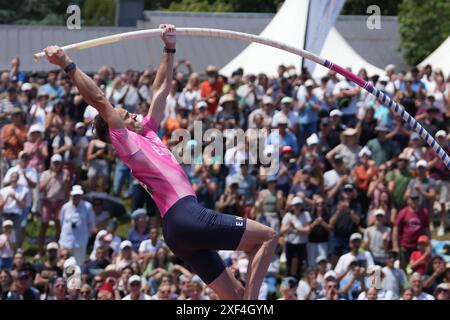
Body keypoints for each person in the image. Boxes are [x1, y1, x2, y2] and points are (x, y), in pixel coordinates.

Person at [43, 24, 278, 300]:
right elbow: (99, 100)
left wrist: (169, 47)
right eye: (125, 115)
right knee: (268, 237)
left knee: (235, 296)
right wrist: (67, 65)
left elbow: (161, 90)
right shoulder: (126, 141)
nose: (132, 114)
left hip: (177, 233)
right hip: (187, 215)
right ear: (116, 127)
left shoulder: (148, 131)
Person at [393, 191, 430, 270]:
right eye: (412, 199)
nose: (414, 201)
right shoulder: (403, 212)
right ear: (409, 200)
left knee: (417, 268)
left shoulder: (424, 212)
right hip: (405, 245)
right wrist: (395, 246)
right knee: (403, 267)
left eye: (416, 198)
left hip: (419, 246)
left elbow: (427, 229)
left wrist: (428, 243)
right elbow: (396, 229)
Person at [59, 185, 95, 266]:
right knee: (65, 263)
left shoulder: (87, 206)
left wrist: (87, 235)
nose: (76, 198)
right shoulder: (65, 207)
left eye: (78, 196)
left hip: (81, 241)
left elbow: (91, 222)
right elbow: (61, 221)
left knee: (79, 263)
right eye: (74, 196)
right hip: (66, 240)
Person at [280, 196, 311, 280]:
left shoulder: (305, 215)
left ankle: (297, 281)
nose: (297, 207)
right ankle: (288, 280)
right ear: (292, 206)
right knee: (289, 263)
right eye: (295, 205)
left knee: (300, 264)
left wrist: (296, 228)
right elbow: (282, 230)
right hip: (290, 243)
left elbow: (308, 229)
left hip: (301, 244)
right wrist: (289, 227)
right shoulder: (288, 215)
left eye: (299, 205)